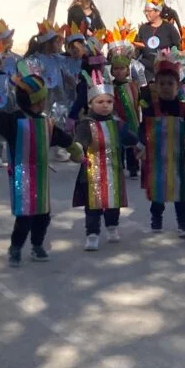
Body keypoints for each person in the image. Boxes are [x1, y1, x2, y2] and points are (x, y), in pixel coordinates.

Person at [0, 64, 83, 267]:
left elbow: (60, 136)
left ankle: (37, 245)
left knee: (43, 215)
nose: (43, 103)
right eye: (40, 100)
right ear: (30, 101)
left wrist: (73, 147)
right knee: (24, 217)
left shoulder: (46, 123)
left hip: (41, 177)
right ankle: (15, 248)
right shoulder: (13, 121)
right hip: (21, 177)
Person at [73, 69, 139, 251]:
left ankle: (112, 226)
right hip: (91, 173)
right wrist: (77, 150)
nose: (105, 105)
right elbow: (79, 141)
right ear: (90, 103)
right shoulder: (86, 124)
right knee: (92, 206)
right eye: (100, 102)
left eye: (109, 102)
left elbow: (131, 138)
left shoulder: (118, 124)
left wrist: (141, 147)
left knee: (113, 202)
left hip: (113, 171)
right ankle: (92, 233)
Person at [137, 50, 185, 237]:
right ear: (155, 85)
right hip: (158, 160)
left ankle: (183, 223)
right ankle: (156, 220)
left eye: (170, 83)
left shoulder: (184, 109)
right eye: (161, 83)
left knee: (182, 193)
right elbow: (143, 129)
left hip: (180, 160)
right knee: (157, 193)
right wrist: (140, 146)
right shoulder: (151, 109)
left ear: (178, 86)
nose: (165, 87)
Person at [102, 19, 141, 179]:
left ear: (127, 70)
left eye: (122, 69)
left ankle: (133, 167)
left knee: (132, 142)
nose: (118, 72)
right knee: (117, 143)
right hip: (117, 119)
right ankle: (118, 165)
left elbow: (138, 99)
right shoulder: (110, 87)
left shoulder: (133, 85)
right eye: (115, 69)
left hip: (132, 119)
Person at [136, 0, 181, 83]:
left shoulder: (169, 28)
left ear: (158, 12)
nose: (146, 14)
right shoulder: (143, 29)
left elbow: (178, 49)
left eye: (149, 11)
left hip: (165, 73)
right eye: (145, 11)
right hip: (147, 73)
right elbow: (138, 51)